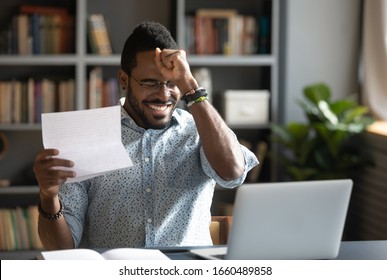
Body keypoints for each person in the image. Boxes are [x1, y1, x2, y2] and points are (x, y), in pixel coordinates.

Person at [33, 21, 259, 250]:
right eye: (150, 83)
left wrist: (190, 85)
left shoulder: (201, 129)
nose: (163, 95)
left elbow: (232, 173)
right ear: (124, 80)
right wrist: (48, 197)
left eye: (172, 83)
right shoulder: (87, 137)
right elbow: (60, 249)